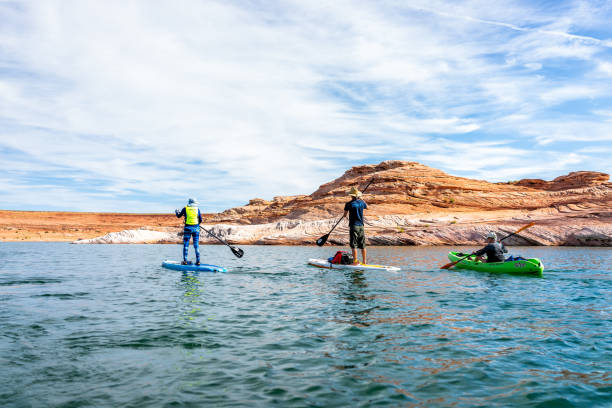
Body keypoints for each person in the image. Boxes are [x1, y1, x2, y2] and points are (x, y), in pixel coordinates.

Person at [343, 186, 367, 264]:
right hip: (361, 226)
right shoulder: (362, 203)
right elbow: (368, 207)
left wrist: (345, 215)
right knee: (363, 245)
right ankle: (364, 261)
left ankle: (355, 262)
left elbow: (344, 215)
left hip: (354, 226)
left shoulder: (349, 204)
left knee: (354, 245)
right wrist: (362, 199)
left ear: (351, 195)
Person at [175, 198, 203, 265]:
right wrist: (197, 224)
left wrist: (176, 212)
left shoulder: (185, 208)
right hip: (196, 229)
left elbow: (179, 216)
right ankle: (198, 261)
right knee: (196, 245)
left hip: (187, 228)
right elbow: (200, 220)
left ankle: (185, 261)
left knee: (186, 244)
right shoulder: (197, 209)